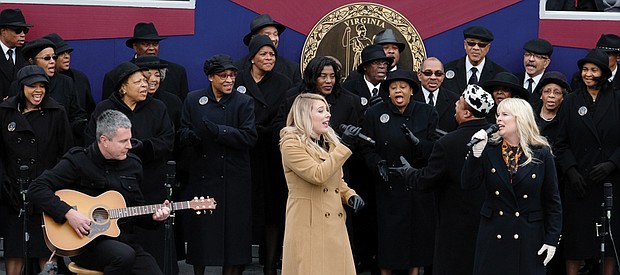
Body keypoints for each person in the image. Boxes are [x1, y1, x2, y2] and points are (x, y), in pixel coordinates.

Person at [28, 109, 170, 275]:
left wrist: (155, 217)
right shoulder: (78, 161)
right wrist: (68, 213)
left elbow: (137, 208)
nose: (129, 146)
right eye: (123, 141)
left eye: (130, 139)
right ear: (104, 140)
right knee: (123, 256)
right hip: (85, 243)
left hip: (124, 240)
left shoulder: (133, 165)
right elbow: (36, 188)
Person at [388, 84, 493, 275]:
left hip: (455, 228)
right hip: (490, 225)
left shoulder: (448, 143)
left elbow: (426, 180)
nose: (455, 104)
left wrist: (409, 173)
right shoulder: (496, 139)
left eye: (459, 103)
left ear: (468, 113)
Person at [85, 61, 176, 273]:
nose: (146, 85)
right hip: (111, 188)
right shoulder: (104, 109)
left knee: (152, 239)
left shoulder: (158, 107)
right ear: (123, 87)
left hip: (150, 181)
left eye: (146, 81)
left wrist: (145, 146)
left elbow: (168, 140)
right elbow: (91, 142)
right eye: (138, 82)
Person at [461, 98, 562, 275]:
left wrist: (552, 239)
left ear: (520, 118)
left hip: (528, 238)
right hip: (494, 235)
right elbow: (468, 185)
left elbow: (552, 200)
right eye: (497, 114)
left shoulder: (541, 152)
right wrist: (475, 156)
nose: (498, 119)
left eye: (504, 114)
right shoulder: (489, 149)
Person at [178, 54, 257, 275]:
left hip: (234, 178)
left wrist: (220, 131)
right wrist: (190, 137)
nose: (229, 80)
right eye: (223, 76)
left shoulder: (244, 102)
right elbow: (182, 129)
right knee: (202, 236)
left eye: (232, 75)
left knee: (234, 237)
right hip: (203, 175)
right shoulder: (194, 99)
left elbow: (250, 137)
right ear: (211, 77)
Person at [360, 69, 437, 275]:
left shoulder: (427, 112)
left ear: (412, 90)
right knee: (389, 239)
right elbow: (366, 149)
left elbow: (435, 149)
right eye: (393, 88)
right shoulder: (375, 114)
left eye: (403, 87)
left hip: (417, 187)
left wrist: (419, 144)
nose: (398, 91)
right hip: (388, 187)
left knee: (416, 240)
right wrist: (378, 164)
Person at [279, 93, 365, 275]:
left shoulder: (329, 142)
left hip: (334, 224)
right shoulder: (291, 143)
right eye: (321, 111)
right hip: (308, 224)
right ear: (304, 115)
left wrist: (349, 195)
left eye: (327, 110)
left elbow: (336, 179)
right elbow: (317, 175)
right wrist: (345, 147)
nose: (328, 115)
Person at [0, 65, 72, 275]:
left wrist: (53, 184)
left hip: (45, 192)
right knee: (15, 250)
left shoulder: (56, 111)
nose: (38, 90)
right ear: (22, 87)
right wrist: (4, 181)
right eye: (33, 86)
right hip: (13, 193)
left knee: (46, 249)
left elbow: (66, 152)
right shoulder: (5, 111)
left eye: (42, 86)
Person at [555, 48, 620, 275]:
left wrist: (612, 164)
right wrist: (571, 171)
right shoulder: (571, 101)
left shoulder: (617, 98)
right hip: (579, 184)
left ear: (604, 72)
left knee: (610, 242)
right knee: (576, 242)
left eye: (594, 70)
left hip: (610, 182)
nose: (588, 74)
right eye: (585, 69)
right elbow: (560, 143)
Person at [19, 38, 88, 143]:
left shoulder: (66, 82)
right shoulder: (18, 84)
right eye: (47, 58)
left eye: (54, 57)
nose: (52, 61)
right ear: (31, 61)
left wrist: (82, 127)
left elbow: (76, 115)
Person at [101, 22, 189, 101]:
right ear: (135, 47)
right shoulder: (116, 76)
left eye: (155, 44)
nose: (151, 48)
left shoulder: (177, 72)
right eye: (146, 44)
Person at [235, 14, 301, 86]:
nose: (273, 39)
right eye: (267, 34)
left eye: (275, 34)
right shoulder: (238, 68)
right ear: (253, 38)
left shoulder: (292, 69)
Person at [443, 26, 508, 95]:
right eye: (471, 43)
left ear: (488, 48)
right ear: (465, 44)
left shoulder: (499, 74)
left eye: (481, 45)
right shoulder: (447, 69)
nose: (476, 48)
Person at [43, 33, 96, 117]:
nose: (67, 56)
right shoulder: (41, 83)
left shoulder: (80, 78)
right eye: (61, 53)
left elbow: (90, 109)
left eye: (67, 52)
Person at [414, 57, 459, 133]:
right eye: (428, 73)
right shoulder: (410, 98)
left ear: (443, 77)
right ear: (419, 75)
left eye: (438, 74)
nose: (433, 77)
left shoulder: (455, 101)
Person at [342, 44, 393, 110]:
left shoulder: (391, 88)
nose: (382, 66)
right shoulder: (348, 89)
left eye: (385, 63)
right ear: (365, 67)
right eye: (377, 63)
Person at [0, 8, 31, 99]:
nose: (23, 35)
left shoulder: (27, 53)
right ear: (3, 31)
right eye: (18, 30)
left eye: (24, 30)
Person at [516, 38, 553, 110]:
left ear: (546, 63)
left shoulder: (550, 85)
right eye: (528, 54)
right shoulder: (514, 80)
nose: (531, 59)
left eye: (537, 56)